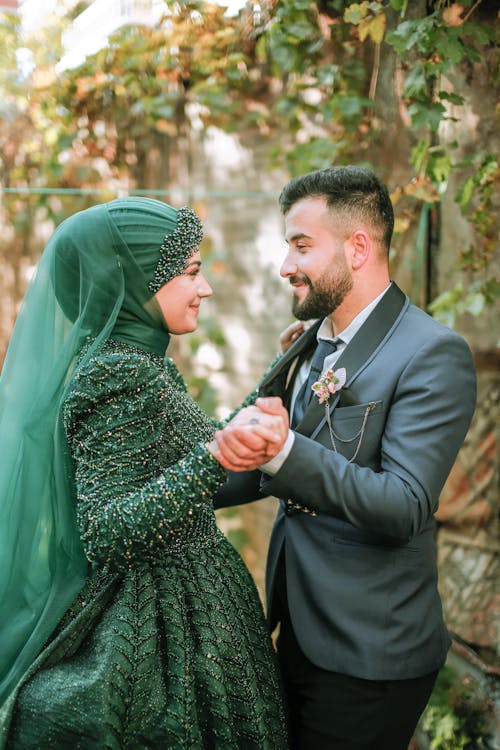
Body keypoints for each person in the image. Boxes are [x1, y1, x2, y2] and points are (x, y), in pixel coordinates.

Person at [0, 197, 290, 749]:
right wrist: (212, 459)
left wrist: (277, 377)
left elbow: (186, 453)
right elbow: (107, 530)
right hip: (163, 629)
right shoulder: (119, 374)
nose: (203, 289)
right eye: (190, 273)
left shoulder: (145, 360)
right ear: (132, 281)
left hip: (194, 603)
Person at [212, 166, 477, 750]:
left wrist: (284, 451)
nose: (286, 266)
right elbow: (262, 459)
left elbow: (404, 504)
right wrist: (180, 481)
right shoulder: (308, 339)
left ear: (358, 248)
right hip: (297, 625)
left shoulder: (433, 354)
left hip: (369, 651)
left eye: (301, 245)